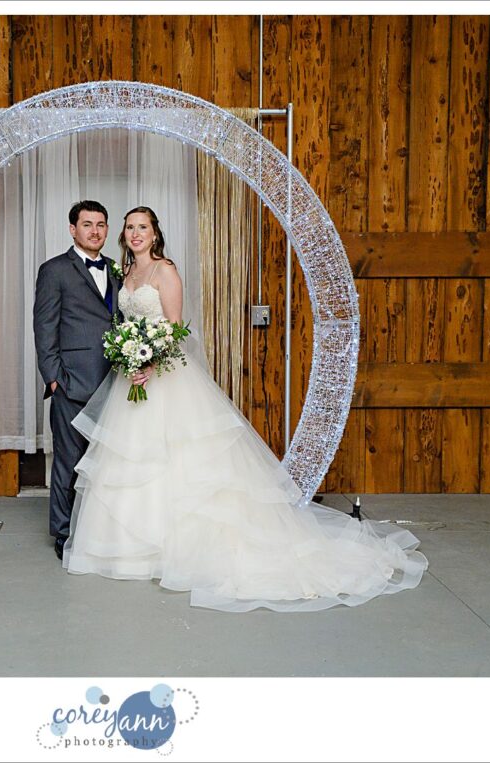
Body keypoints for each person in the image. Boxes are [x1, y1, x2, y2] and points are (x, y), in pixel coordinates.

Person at [61, 206, 429, 612]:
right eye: (130, 228)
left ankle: (179, 550)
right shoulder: (125, 274)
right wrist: (130, 358)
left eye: (142, 227)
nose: (135, 234)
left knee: (181, 464)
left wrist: (150, 360)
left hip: (165, 380)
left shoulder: (165, 271)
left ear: (155, 233)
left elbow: (176, 327)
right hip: (132, 382)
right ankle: (131, 550)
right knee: (131, 462)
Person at [33, 200, 123, 560]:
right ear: (73, 229)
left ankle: (105, 530)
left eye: (101, 224)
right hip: (72, 382)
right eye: (87, 224)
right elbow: (44, 326)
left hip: (115, 382)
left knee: (111, 461)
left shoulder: (117, 269)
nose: (95, 231)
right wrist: (55, 379)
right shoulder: (54, 270)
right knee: (69, 461)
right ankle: (64, 532)